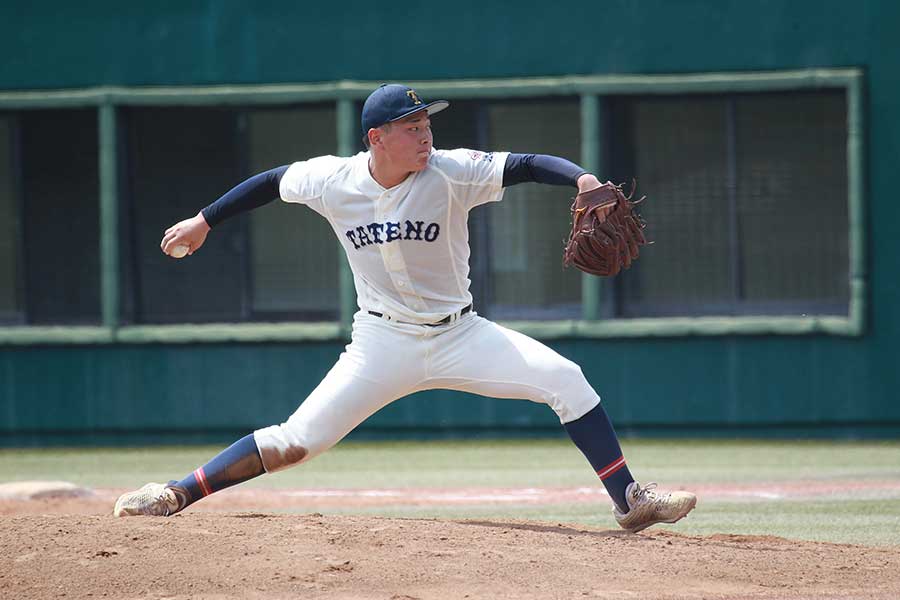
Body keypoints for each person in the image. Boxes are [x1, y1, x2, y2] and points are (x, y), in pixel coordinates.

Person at [113, 84, 697, 532]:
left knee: (567, 379)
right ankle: (175, 494)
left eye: (426, 124)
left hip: (460, 334)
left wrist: (583, 178)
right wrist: (203, 221)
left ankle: (630, 501)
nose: (426, 136)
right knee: (298, 440)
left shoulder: (451, 171)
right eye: (412, 126)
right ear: (376, 138)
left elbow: (526, 164)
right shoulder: (332, 181)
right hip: (381, 343)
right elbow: (270, 181)